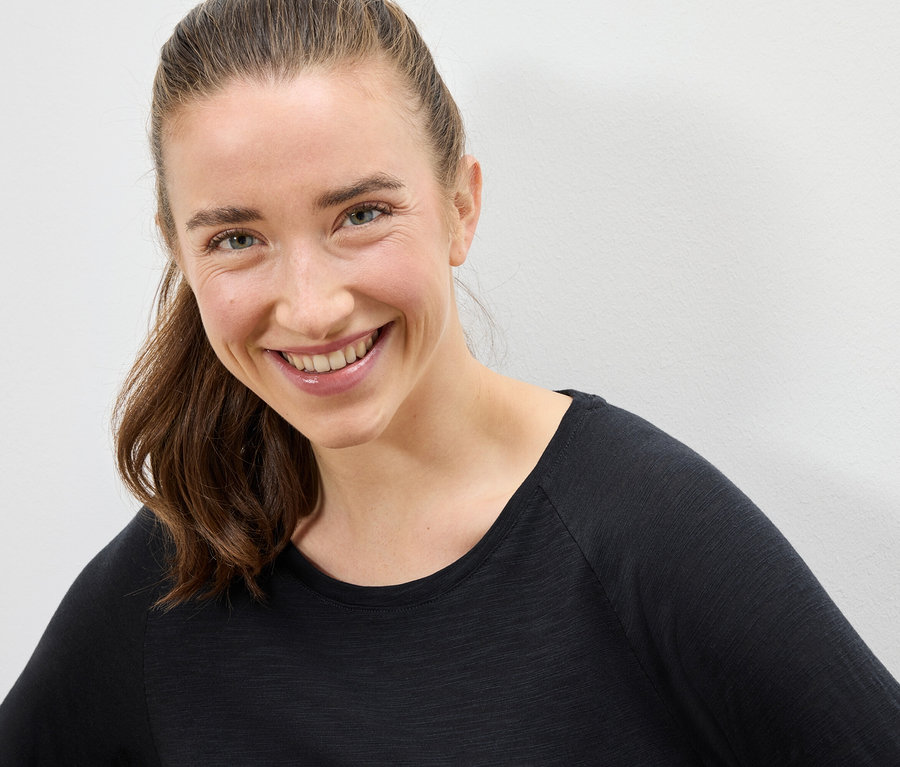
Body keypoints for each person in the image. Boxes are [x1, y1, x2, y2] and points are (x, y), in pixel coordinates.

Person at [1, 0, 898, 763]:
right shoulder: (176, 568)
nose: (311, 308)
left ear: (461, 206)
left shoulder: (645, 531)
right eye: (236, 238)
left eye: (360, 214)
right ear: (180, 252)